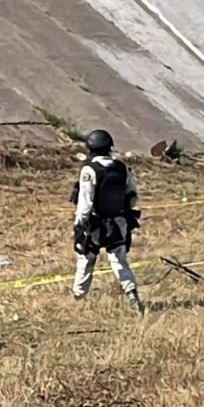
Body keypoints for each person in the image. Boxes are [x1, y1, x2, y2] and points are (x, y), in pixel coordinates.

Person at [71, 129, 144, 315]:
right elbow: (133, 194)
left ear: (90, 148)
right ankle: (132, 295)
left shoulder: (89, 170)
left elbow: (85, 202)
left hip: (95, 224)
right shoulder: (121, 168)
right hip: (118, 222)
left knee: (86, 259)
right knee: (120, 261)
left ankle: (77, 298)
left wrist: (79, 226)